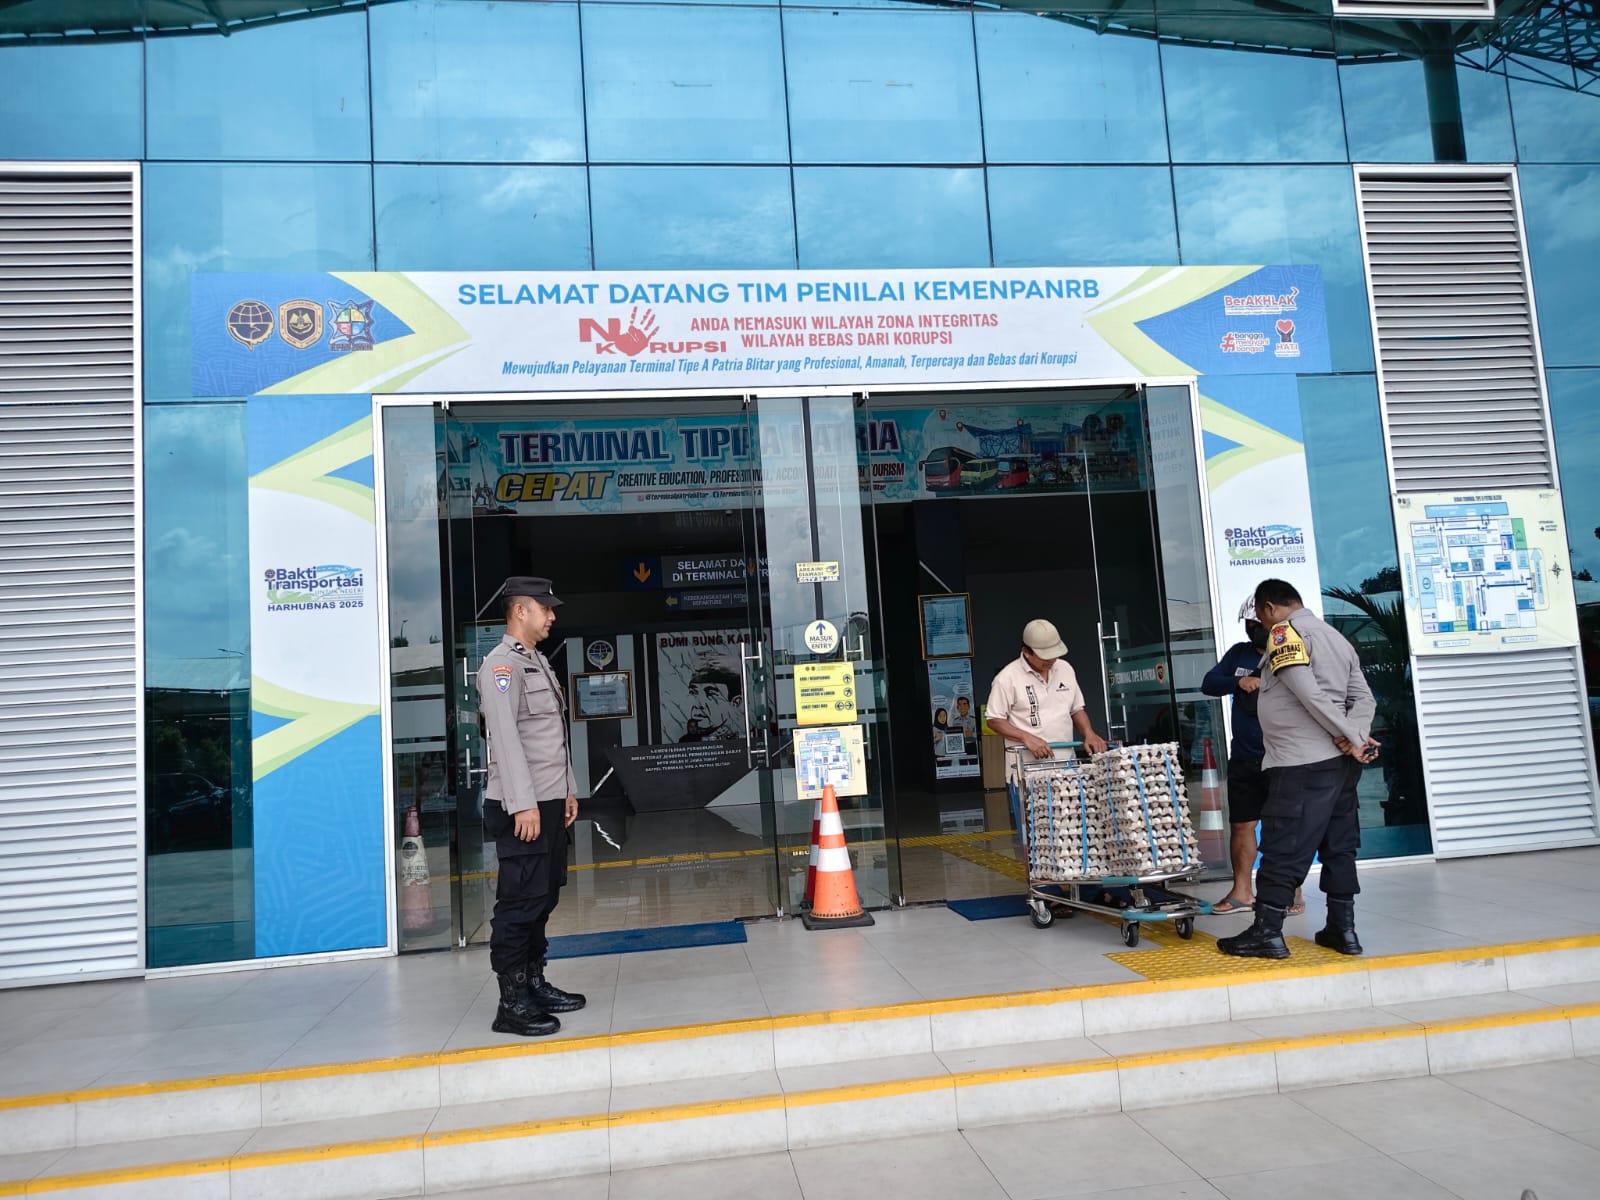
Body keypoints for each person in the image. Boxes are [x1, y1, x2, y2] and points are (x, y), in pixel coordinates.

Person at [1218, 579, 1380, 961]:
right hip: (1339, 766)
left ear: (1269, 608)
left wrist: (1349, 735)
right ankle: (1342, 929)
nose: (1260, 624)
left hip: (1301, 764)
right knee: (1339, 846)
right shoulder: (1335, 637)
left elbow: (1307, 692)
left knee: (1283, 845)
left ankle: (1267, 932)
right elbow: (1364, 698)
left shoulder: (1283, 634)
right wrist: (1355, 734)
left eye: (1259, 616)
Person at [477, 575, 586, 1036]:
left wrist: (568, 789)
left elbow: (551, 739)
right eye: (546, 608)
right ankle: (511, 1001)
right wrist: (523, 805)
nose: (552, 616)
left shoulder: (537, 660)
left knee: (543, 896)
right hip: (522, 806)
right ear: (521, 610)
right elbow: (505, 741)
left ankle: (534, 982)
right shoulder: (501, 666)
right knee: (520, 902)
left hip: (547, 800)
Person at [1201, 598, 1304, 916]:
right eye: (1248, 625)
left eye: (1256, 624)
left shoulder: (1290, 651)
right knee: (1242, 825)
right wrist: (1239, 681)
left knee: (1283, 826)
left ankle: (1292, 892)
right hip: (1244, 758)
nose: (1252, 630)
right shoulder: (1238, 654)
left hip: (1282, 758)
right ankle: (1242, 892)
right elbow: (1209, 683)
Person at [986, 619, 1109, 760]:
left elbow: (1076, 709)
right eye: (1045, 657)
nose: (1051, 660)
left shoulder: (1065, 668)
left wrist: (1089, 733)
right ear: (1026, 652)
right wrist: (1026, 737)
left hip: (1066, 762)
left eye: (1054, 655)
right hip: (1026, 765)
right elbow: (994, 719)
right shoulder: (1007, 678)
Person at [680, 664, 742, 741]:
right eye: (693, 693)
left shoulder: (738, 739)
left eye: (711, 694)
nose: (699, 705)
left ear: (735, 702)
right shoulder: (685, 740)